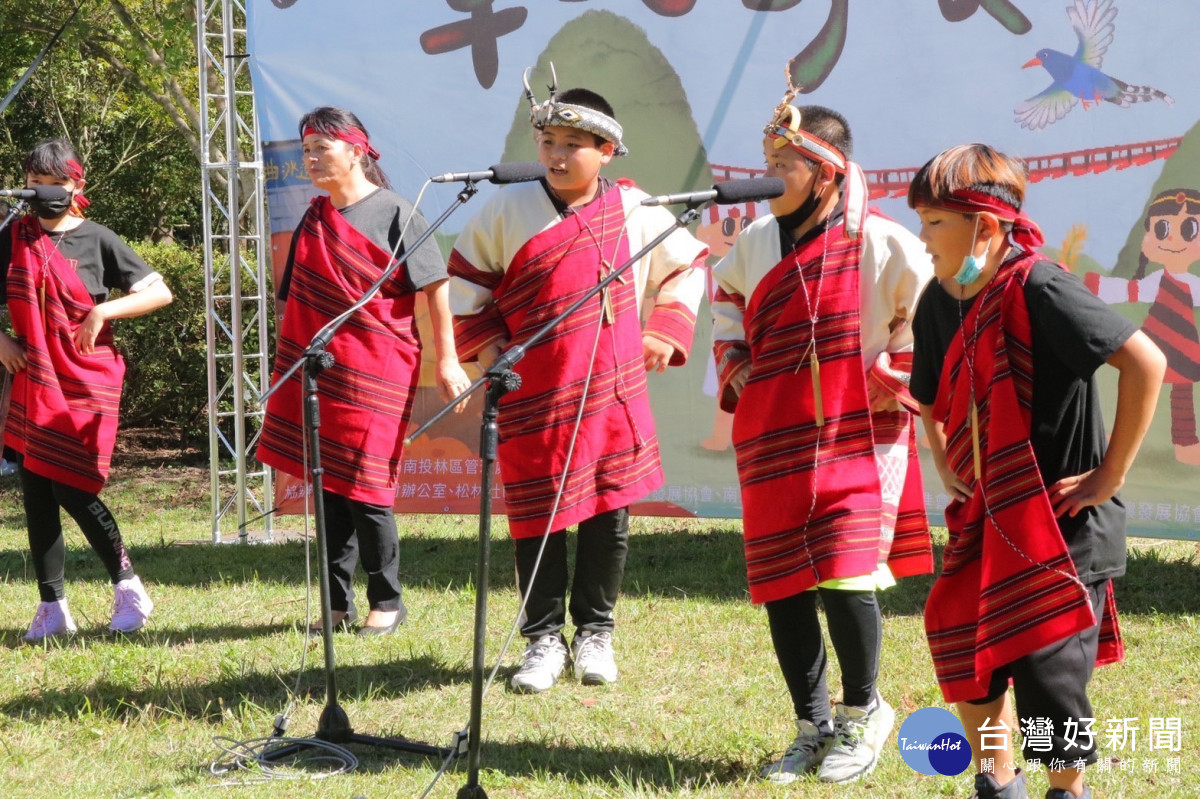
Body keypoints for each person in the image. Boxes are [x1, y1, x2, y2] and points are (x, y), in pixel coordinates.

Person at [908, 144, 1165, 799]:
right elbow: (931, 391)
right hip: (990, 515)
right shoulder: (941, 299)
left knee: (1050, 676)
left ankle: (1066, 790)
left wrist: (1108, 477)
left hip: (1066, 522)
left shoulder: (1040, 286)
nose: (923, 236)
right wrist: (945, 458)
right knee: (967, 649)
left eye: (935, 221)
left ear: (986, 227)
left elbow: (1146, 362)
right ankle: (998, 782)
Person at [449, 74, 707, 693]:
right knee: (537, 516)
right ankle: (541, 639)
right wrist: (491, 354)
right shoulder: (505, 207)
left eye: (575, 144)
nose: (559, 156)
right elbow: (467, 287)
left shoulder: (636, 209)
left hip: (612, 394)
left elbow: (688, 264)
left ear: (608, 151)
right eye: (549, 141)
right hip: (531, 394)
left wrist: (664, 332)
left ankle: (596, 633)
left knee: (607, 514)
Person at [710, 98, 933, 784]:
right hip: (774, 436)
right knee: (783, 581)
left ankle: (865, 709)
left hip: (858, 436)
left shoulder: (884, 242)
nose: (771, 175)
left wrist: (887, 375)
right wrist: (742, 372)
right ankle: (812, 723)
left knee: (845, 572)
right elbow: (726, 311)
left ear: (829, 173)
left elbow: (928, 323)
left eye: (787, 165)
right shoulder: (752, 244)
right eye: (768, 163)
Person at [258, 107, 470, 636]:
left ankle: (388, 600)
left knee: (368, 488)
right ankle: (335, 604)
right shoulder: (313, 218)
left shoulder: (398, 211)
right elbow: (299, 304)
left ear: (357, 150)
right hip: (322, 371)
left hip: (379, 367)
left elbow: (436, 288)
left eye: (321, 149)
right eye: (306, 150)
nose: (310, 159)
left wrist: (448, 359)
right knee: (328, 486)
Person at [0, 139, 174, 641]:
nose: (46, 191)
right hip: (33, 376)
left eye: (57, 183)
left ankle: (129, 587)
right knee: (35, 490)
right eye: (37, 181)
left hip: (85, 378)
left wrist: (102, 310)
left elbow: (158, 291)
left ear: (78, 185)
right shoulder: (13, 236)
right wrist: (2, 344)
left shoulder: (98, 238)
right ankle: (52, 607)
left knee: (70, 485)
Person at [1083, 188, 1200, 465]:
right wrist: (1093, 286)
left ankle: (1186, 444)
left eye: (1189, 228)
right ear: (1148, 239)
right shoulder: (1155, 281)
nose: (1173, 238)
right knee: (1143, 386)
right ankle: (1125, 436)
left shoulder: (1193, 284)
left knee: (1181, 394)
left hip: (1182, 344)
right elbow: (1129, 290)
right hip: (1154, 341)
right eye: (1162, 228)